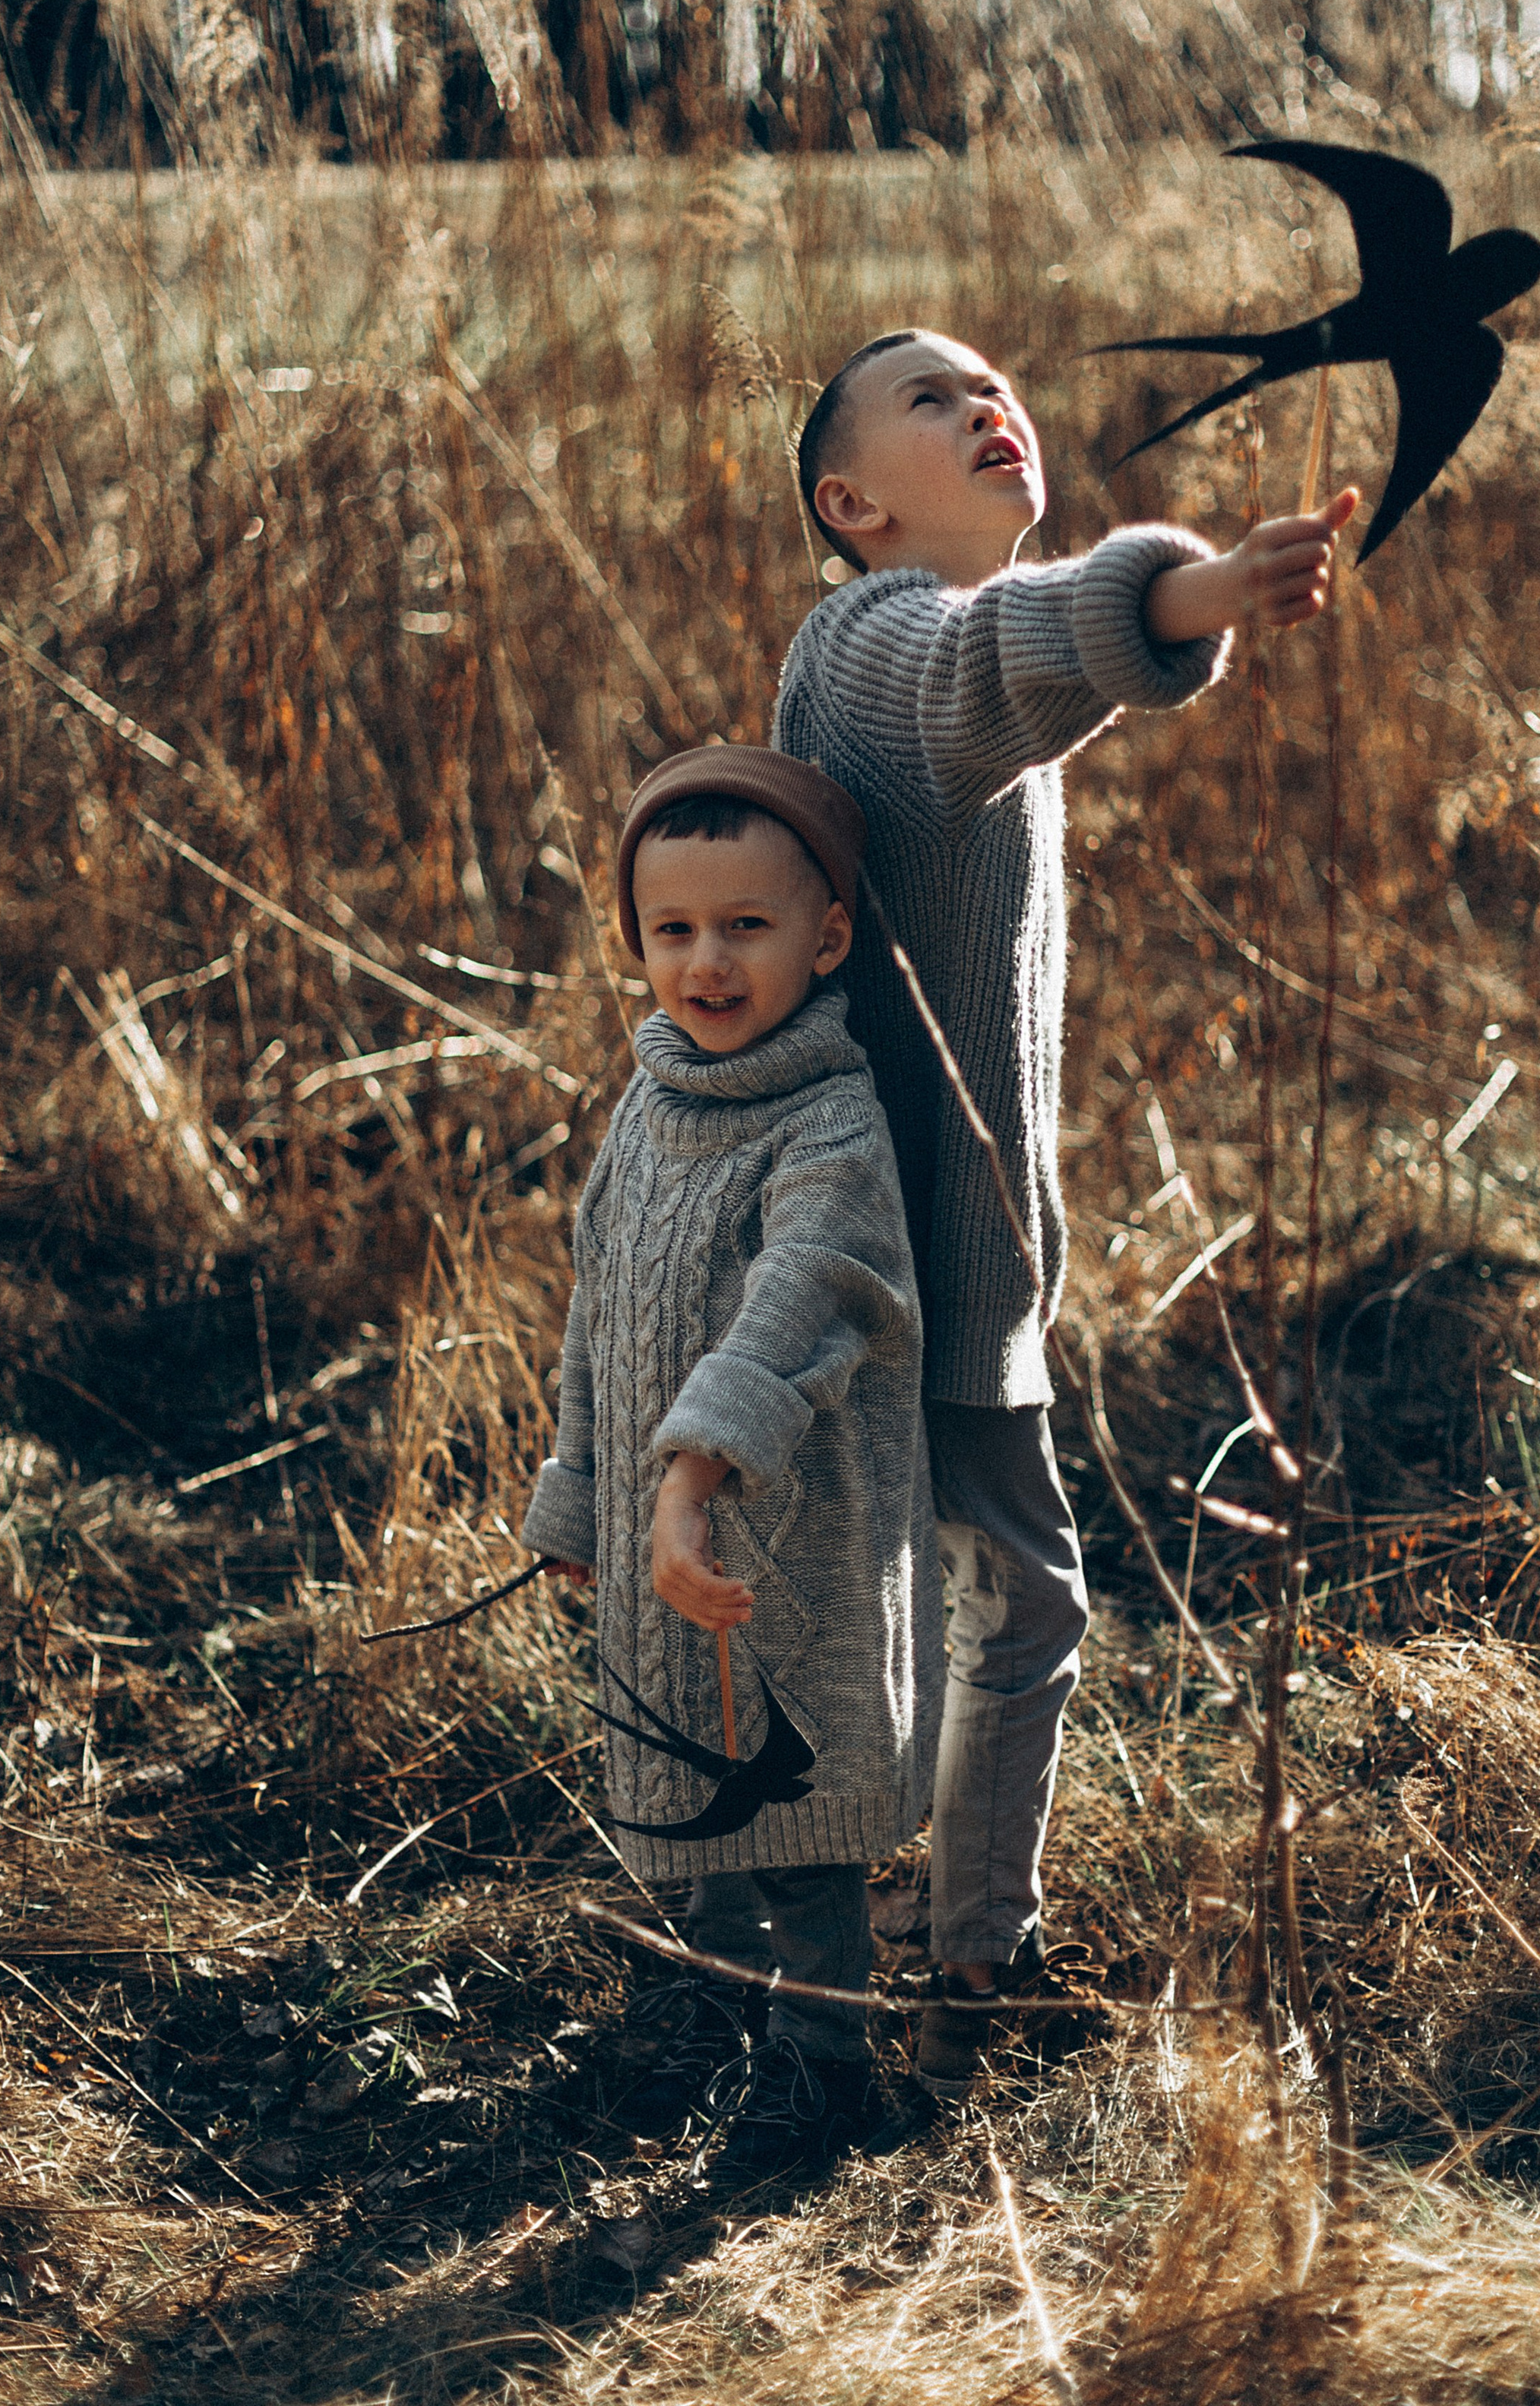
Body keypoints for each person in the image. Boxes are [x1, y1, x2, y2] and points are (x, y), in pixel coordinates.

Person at [775, 328, 1356, 2098]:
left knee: (943, 1606)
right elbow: (1000, 657)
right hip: (907, 1266)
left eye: (992, 383)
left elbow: (1019, 669)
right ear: (852, 500)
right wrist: (1183, 590)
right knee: (1010, 1604)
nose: (985, 403)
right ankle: (951, 1969)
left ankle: (883, 1949)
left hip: (939, 1257)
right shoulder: (877, 646)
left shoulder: (924, 657)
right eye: (933, 398)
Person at [520, 744, 939, 2193]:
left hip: (782, 1553)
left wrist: (696, 1467)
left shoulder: (831, 1120)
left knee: (795, 1826)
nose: (706, 961)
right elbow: (599, 1305)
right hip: (659, 1545)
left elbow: (807, 1292)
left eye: (747, 927)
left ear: (825, 939)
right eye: (673, 929)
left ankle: (828, 2075)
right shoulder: (646, 1108)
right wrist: (584, 1491)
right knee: (685, 1812)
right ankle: (711, 2014)